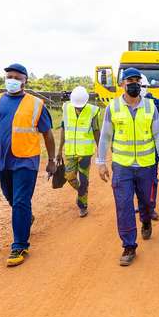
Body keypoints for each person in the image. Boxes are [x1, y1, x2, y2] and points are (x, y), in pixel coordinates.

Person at [0, 63, 56, 267]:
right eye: (10, 76)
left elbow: (48, 134)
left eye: (18, 77)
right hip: (2, 159)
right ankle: (26, 217)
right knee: (11, 197)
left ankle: (19, 245)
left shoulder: (36, 104)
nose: (13, 80)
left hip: (26, 160)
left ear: (26, 81)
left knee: (19, 201)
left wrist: (52, 160)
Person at [96, 68, 159, 266]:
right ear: (122, 84)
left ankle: (145, 219)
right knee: (124, 205)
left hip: (146, 165)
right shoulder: (113, 107)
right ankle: (129, 245)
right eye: (130, 80)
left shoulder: (150, 107)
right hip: (122, 167)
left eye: (137, 80)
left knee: (146, 202)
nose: (134, 84)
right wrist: (101, 162)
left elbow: (158, 134)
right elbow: (105, 137)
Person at [56, 86, 100, 218]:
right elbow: (64, 130)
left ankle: (83, 205)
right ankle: (82, 192)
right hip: (70, 151)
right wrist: (59, 150)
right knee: (69, 177)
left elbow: (96, 130)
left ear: (86, 101)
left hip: (85, 153)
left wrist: (100, 149)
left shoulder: (93, 111)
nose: (79, 107)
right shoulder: (66, 108)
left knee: (84, 180)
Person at [140, 75, 159, 217]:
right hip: (132, 154)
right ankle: (141, 205)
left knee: (151, 181)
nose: (141, 89)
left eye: (144, 86)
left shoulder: (155, 103)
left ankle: (150, 207)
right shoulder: (124, 106)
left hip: (151, 152)